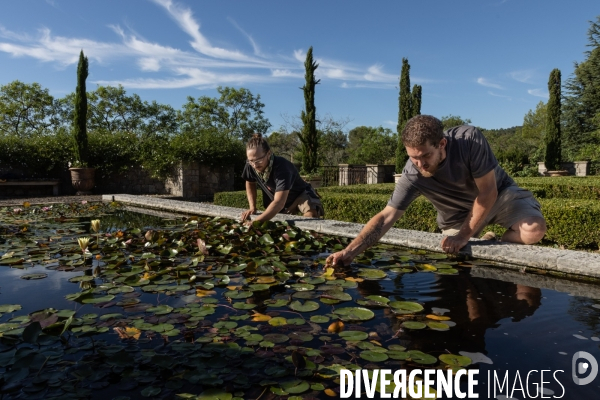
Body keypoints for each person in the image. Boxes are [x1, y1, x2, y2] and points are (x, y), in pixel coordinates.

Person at [327, 114, 546, 266]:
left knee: (533, 230)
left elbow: (487, 192)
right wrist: (349, 252)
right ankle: (485, 240)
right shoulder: (412, 173)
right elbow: (386, 216)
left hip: (498, 196)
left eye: (425, 156)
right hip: (457, 217)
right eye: (413, 157)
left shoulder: (470, 141)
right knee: (458, 268)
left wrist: (462, 236)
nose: (420, 164)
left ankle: (487, 240)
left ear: (442, 144)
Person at [240, 133, 324, 224]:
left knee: (310, 220)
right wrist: (252, 207)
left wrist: (256, 221)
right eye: (251, 161)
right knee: (280, 225)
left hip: (300, 195)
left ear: (269, 153)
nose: (255, 165)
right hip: (282, 201)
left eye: (259, 160)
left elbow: (279, 202)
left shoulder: (282, 167)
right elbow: (249, 182)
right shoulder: (250, 165)